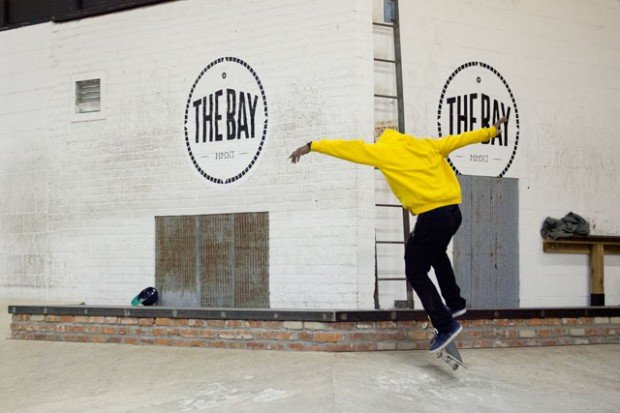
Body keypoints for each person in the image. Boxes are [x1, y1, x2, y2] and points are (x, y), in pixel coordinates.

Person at [289, 117, 508, 353]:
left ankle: (446, 325)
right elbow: (460, 140)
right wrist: (490, 132)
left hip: (431, 216)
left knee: (415, 270)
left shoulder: (383, 151)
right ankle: (455, 303)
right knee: (436, 254)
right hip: (454, 212)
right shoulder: (425, 144)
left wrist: (313, 145)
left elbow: (349, 149)